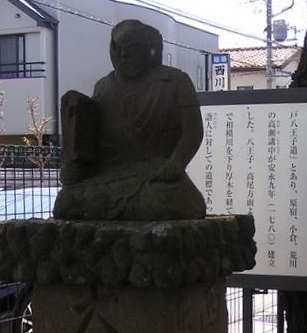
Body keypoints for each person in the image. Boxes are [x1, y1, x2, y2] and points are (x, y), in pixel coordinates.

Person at [53, 19, 206, 221]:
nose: (123, 55)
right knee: (67, 201)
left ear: (149, 49)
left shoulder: (174, 81)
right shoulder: (103, 87)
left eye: (132, 48)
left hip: (155, 175)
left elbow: (192, 132)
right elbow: (92, 145)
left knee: (167, 201)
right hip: (110, 175)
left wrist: (176, 164)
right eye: (118, 48)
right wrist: (75, 169)